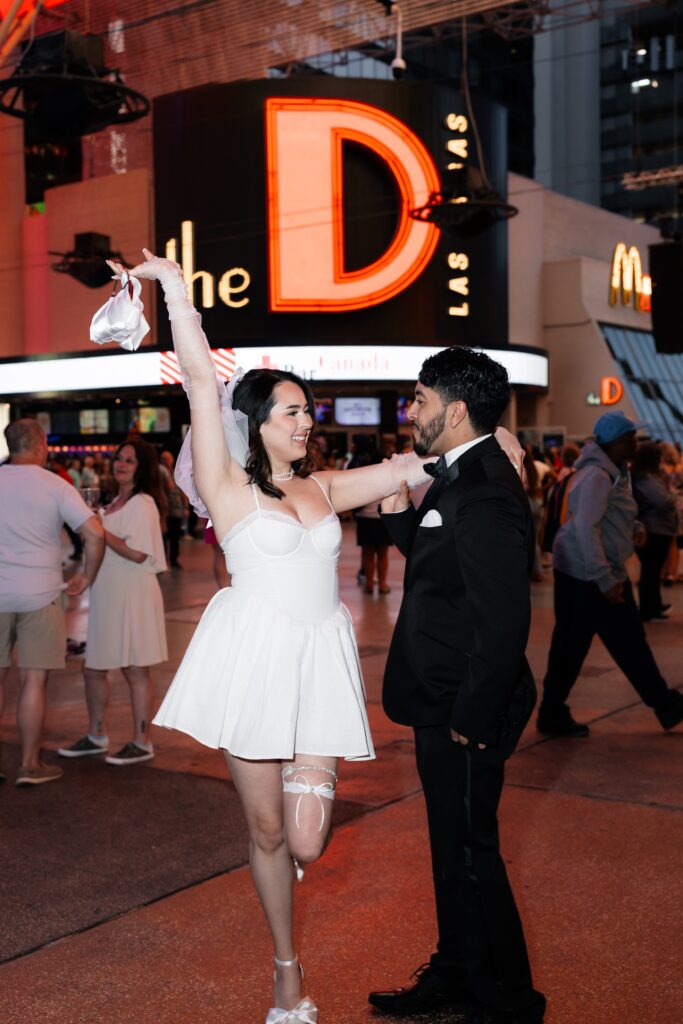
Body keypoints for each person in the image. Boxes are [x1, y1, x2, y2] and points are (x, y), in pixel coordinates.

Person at [103, 249, 523, 1024]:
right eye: (291, 411)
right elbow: (201, 379)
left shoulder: (325, 488)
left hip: (317, 665)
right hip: (252, 660)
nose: (307, 420)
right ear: (256, 423)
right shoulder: (226, 487)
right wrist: (172, 290)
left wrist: (493, 447)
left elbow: (418, 462)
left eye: (308, 409)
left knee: (305, 843)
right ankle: (285, 972)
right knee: (266, 830)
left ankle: (290, 885)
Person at [369, 347, 543, 1024]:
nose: (411, 411)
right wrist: (398, 519)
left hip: (463, 701)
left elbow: (504, 620)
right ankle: (457, 970)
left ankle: (507, 999)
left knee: (471, 853)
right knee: (453, 850)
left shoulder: (485, 489)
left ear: (456, 409)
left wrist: (472, 714)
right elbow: (447, 569)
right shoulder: (462, 477)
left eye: (419, 399)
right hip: (445, 694)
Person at [537, 411, 683, 738]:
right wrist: (606, 580)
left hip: (591, 572)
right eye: (631, 436)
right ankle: (552, 712)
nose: (636, 441)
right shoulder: (597, 475)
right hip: (586, 575)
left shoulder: (614, 471)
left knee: (615, 643)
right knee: (580, 647)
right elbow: (585, 529)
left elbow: (602, 517)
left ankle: (665, 705)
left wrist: (632, 528)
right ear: (618, 442)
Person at [0, 420, 104, 786]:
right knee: (33, 680)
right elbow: (94, 534)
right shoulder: (56, 486)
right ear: (42, 444)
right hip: (40, 594)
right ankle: (29, 765)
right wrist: (86, 577)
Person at [58, 439, 168, 766]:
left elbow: (137, 553)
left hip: (133, 593)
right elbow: (100, 547)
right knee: (93, 667)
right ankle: (96, 735)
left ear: (142, 467)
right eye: (119, 458)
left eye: (129, 461)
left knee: (134, 669)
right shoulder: (112, 505)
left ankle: (142, 740)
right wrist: (85, 575)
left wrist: (100, 530)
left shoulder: (142, 503)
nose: (120, 464)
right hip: (107, 594)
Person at [632, 442, 678, 621]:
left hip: (656, 528)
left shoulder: (647, 478)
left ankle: (654, 604)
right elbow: (663, 501)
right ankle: (649, 608)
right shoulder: (648, 480)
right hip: (655, 530)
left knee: (652, 570)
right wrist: (673, 496)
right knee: (651, 571)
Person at [160, 449, 186, 568]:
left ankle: (174, 559)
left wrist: (185, 507)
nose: (167, 461)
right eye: (164, 459)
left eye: (168, 459)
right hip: (165, 509)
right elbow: (168, 488)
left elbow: (182, 490)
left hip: (176, 509)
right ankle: (163, 561)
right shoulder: (161, 471)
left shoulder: (176, 472)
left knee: (175, 536)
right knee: (164, 536)